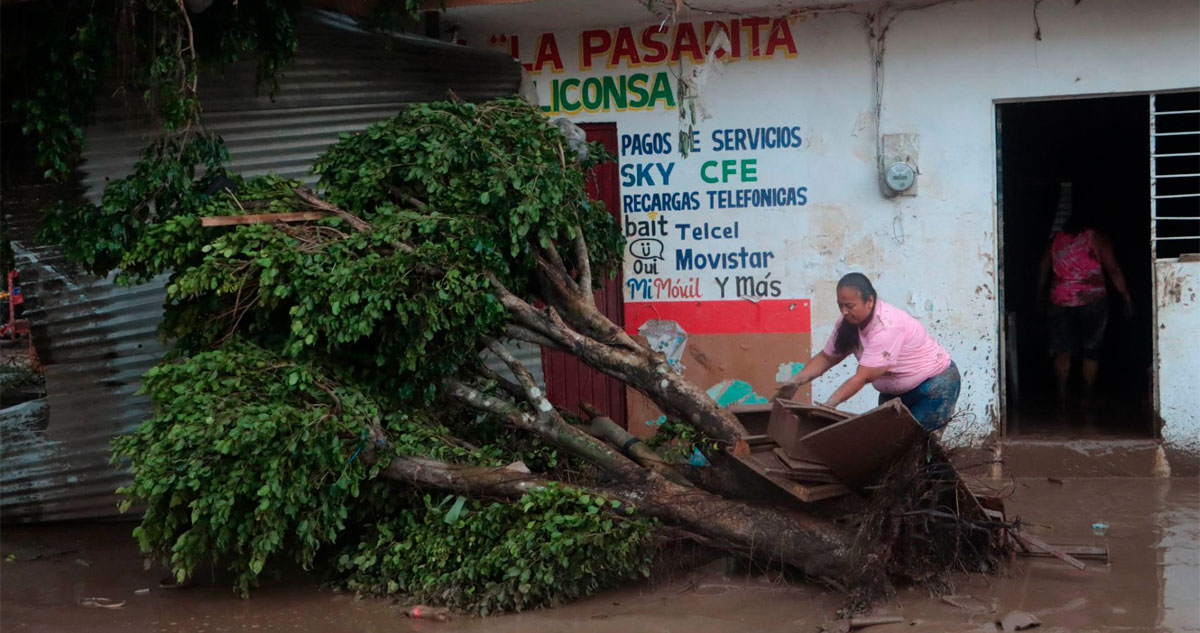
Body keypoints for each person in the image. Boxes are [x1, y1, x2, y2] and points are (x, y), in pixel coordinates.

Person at [775, 273, 960, 431]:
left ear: (869, 301)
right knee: (888, 444)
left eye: (850, 306)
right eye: (840, 305)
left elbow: (862, 377)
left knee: (917, 446)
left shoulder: (886, 326)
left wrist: (829, 406)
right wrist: (796, 380)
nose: (844, 311)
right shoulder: (847, 323)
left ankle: (941, 474)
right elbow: (827, 357)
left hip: (933, 387)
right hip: (895, 395)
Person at [1037, 212, 1131, 406]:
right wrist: (1125, 296)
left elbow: (1043, 268)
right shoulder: (1097, 238)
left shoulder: (1056, 239)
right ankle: (1087, 397)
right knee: (1091, 350)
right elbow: (1114, 270)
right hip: (1092, 300)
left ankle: (1062, 394)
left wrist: (1038, 294)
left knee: (1062, 350)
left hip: (1060, 299)